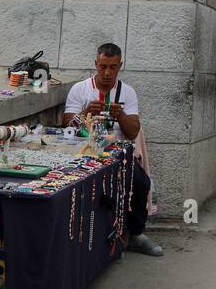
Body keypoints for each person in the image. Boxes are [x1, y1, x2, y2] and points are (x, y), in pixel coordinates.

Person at [62, 43, 163, 256]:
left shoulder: (127, 92)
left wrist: (121, 116)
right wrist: (85, 113)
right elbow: (67, 129)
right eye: (103, 67)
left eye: (113, 67)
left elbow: (134, 131)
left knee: (141, 182)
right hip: (85, 153)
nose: (107, 73)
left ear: (120, 66)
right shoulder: (80, 89)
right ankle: (83, 237)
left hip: (119, 155)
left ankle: (136, 234)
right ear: (95, 65)